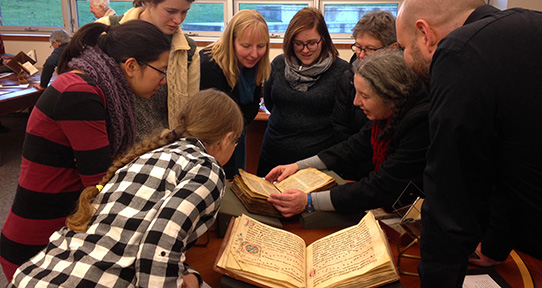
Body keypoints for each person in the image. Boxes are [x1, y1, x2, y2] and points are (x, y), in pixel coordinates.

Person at [8, 89, 244, 288]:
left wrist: (185, 272)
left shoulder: (149, 154)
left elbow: (134, 231)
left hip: (37, 275)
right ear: (227, 139)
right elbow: (157, 247)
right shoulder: (206, 168)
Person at [0, 20, 171, 281]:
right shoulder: (79, 93)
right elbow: (98, 184)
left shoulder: (100, 88)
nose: (164, 80)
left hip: (61, 231)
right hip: (37, 247)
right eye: (162, 71)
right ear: (132, 66)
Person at [396, 0, 542, 286]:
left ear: (425, 34)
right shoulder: (529, 27)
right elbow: (508, 161)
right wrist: (493, 248)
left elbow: (451, 191)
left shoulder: (458, 52)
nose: (404, 57)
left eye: (403, 46)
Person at [266, 50, 429, 218]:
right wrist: (297, 166)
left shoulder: (419, 123)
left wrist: (308, 200)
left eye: (364, 96)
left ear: (390, 94)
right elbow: (353, 147)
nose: (356, 102)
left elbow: (382, 186)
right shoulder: (390, 112)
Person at [257, 7, 350, 177]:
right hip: (273, 156)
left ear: (324, 39)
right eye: (298, 43)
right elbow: (270, 104)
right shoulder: (278, 64)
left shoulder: (342, 71)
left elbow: (343, 122)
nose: (305, 50)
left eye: (312, 43)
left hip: (317, 164)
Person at [96, 0, 200, 140]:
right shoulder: (105, 30)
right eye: (170, 11)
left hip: (162, 151)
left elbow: (189, 114)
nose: (178, 20)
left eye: (184, 12)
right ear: (149, 2)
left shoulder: (188, 51)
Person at [200, 9, 270, 179]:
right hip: (212, 143)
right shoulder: (209, 64)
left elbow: (252, 107)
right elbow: (219, 121)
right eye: (246, 46)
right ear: (231, 41)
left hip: (236, 136)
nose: (254, 54)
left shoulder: (255, 66)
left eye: (261, 46)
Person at [332, 10, 398, 144]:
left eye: (369, 49)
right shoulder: (349, 78)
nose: (361, 55)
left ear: (393, 48)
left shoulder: (403, 82)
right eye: (358, 47)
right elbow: (340, 128)